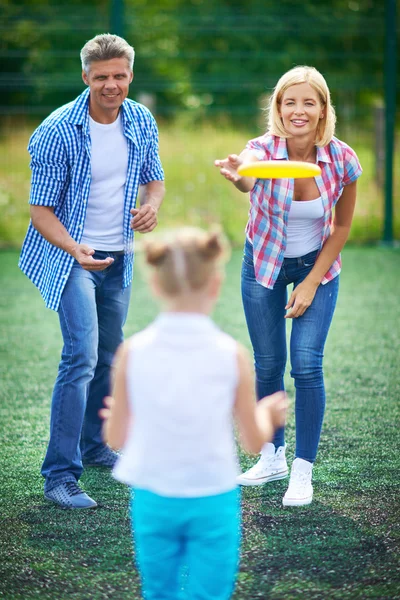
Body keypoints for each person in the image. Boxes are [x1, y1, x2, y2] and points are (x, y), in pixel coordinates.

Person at [100, 227, 288, 600]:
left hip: (153, 499)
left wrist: (119, 417)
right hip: (213, 498)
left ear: (155, 285)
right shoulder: (230, 353)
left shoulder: (132, 353)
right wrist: (267, 414)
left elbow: (116, 439)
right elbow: (253, 442)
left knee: (160, 592)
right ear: (215, 285)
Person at [18, 33, 165, 509]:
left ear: (130, 76)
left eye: (119, 76)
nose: (111, 85)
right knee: (80, 355)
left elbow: (154, 179)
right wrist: (75, 249)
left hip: (117, 255)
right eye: (101, 77)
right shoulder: (57, 129)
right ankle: (59, 475)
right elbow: (40, 212)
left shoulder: (140, 119)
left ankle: (95, 444)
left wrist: (152, 205)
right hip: (69, 256)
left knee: (108, 354)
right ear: (85, 77)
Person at [215, 65, 362, 507]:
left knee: (306, 364)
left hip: (317, 267)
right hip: (263, 265)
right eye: (289, 102)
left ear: (322, 110)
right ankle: (271, 455)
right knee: (267, 363)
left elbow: (341, 227)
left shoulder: (342, 158)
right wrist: (239, 172)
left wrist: (312, 283)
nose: (298, 110)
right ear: (278, 108)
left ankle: (302, 471)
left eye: (308, 102)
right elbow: (246, 178)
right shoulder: (260, 150)